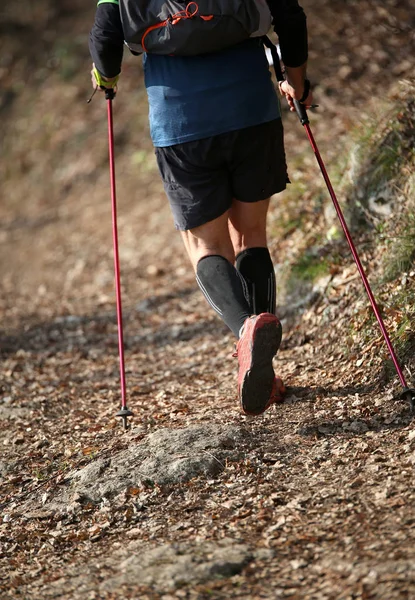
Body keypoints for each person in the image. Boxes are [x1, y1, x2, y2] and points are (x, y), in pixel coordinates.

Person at [89, 0, 312, 416]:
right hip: (251, 111)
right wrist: (296, 82)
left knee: (205, 246)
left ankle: (246, 330)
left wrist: (105, 78)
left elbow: (105, 37)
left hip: (181, 122)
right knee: (250, 236)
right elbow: (290, 15)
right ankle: (262, 364)